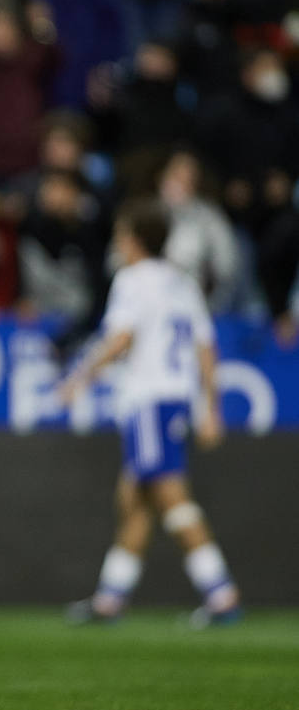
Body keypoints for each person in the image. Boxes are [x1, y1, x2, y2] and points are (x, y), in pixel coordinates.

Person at [59, 200, 242, 628]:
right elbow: (205, 346)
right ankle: (110, 600)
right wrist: (210, 407)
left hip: (148, 400)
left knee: (170, 498)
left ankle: (221, 594)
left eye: (122, 235)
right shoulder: (183, 282)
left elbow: (123, 337)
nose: (118, 244)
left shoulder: (132, 280)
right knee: (133, 498)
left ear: (136, 241)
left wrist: (79, 378)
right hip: (176, 398)